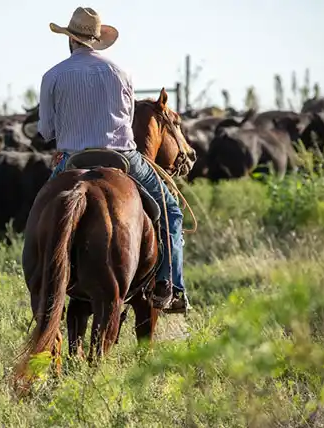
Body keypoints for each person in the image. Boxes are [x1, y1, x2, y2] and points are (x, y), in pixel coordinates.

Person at [37, 7, 190, 314]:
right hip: (123, 158)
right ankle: (169, 286)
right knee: (171, 211)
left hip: (73, 158)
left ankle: (41, 281)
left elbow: (46, 131)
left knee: (41, 213)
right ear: (96, 39)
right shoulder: (122, 72)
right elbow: (128, 121)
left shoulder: (52, 75)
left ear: (70, 39)